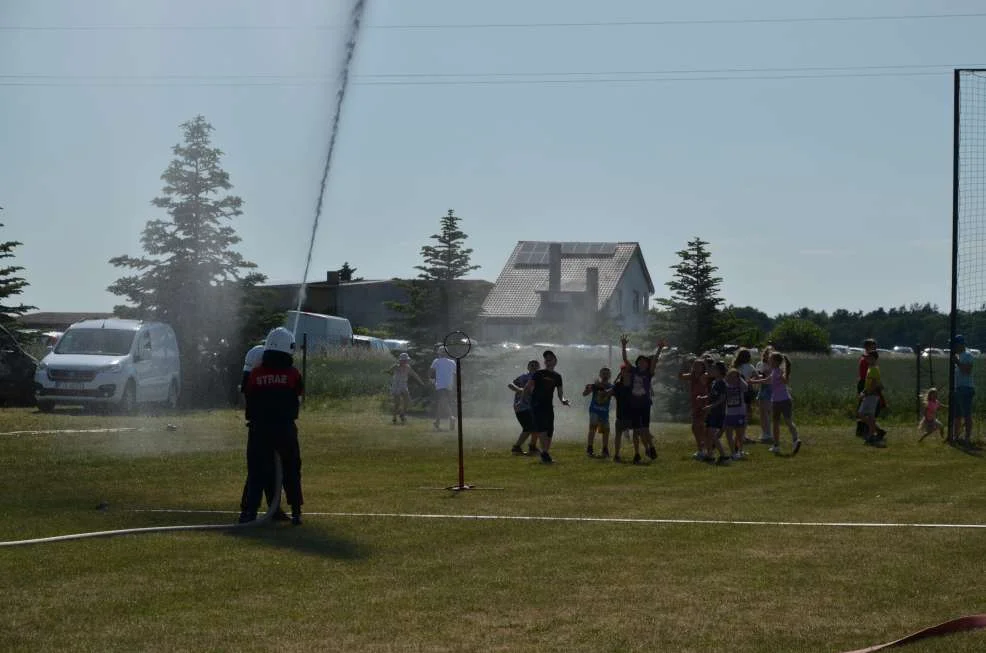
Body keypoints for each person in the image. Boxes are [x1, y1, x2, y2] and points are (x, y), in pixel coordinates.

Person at [240, 327, 305, 526]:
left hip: (259, 430)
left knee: (256, 471)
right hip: (285, 429)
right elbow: (300, 394)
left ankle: (248, 513)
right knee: (291, 470)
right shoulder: (293, 374)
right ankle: (296, 511)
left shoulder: (256, 373)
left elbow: (247, 393)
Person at [239, 339, 287, 522]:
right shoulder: (256, 368)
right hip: (262, 427)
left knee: (273, 469)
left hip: (268, 425)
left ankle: (272, 507)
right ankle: (248, 510)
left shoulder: (260, 366)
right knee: (258, 469)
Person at [620, 335, 666, 463]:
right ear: (637, 363)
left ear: (647, 364)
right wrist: (624, 346)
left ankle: (650, 447)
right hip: (634, 403)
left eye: (645, 362)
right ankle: (636, 453)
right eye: (640, 361)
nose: (642, 363)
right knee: (636, 430)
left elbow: (655, 360)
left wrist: (660, 348)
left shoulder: (648, 373)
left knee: (645, 428)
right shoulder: (633, 371)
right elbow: (625, 359)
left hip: (644, 403)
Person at [750, 352, 801, 456]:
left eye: (771, 359)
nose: (769, 361)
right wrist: (752, 382)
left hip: (783, 401)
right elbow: (766, 380)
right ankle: (779, 444)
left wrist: (784, 376)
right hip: (776, 401)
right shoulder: (774, 371)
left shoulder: (778, 371)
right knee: (779, 423)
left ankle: (793, 440)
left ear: (776, 362)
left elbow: (785, 381)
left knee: (784, 422)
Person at [525, 350, 570, 464]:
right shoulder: (538, 374)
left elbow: (560, 393)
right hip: (537, 406)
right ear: (545, 362)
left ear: (555, 361)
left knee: (550, 430)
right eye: (546, 358)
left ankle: (545, 452)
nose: (548, 360)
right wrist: (523, 400)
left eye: (550, 358)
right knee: (542, 429)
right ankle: (545, 454)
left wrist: (563, 400)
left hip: (548, 406)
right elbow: (528, 387)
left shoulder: (557, 377)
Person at [698, 361, 729, 464]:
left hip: (718, 412)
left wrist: (710, 406)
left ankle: (724, 456)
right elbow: (712, 395)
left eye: (714, 369)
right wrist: (703, 397)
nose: (711, 371)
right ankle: (710, 455)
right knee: (708, 434)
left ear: (720, 371)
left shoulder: (722, 383)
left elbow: (722, 398)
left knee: (712, 434)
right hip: (712, 412)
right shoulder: (714, 382)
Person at [679, 358, 710, 460]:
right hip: (695, 404)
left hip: (703, 404)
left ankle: (704, 449)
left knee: (698, 426)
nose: (696, 367)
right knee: (696, 428)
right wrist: (683, 364)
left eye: (699, 365)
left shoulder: (704, 375)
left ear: (703, 367)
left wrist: (706, 362)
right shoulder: (692, 376)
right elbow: (680, 376)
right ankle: (702, 448)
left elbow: (711, 374)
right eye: (695, 365)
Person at [509, 360, 541, 455]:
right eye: (532, 365)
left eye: (536, 365)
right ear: (528, 367)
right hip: (522, 406)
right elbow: (510, 384)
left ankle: (532, 447)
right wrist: (519, 389)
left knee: (536, 427)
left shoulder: (539, 379)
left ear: (539, 368)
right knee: (529, 428)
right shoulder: (524, 377)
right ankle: (517, 448)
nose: (534, 366)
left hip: (533, 407)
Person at [582, 367, 614, 459]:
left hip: (604, 412)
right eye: (603, 373)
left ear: (610, 376)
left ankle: (604, 449)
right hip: (594, 410)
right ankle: (590, 448)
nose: (605, 375)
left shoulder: (611, 387)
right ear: (600, 375)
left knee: (606, 431)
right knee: (593, 428)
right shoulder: (595, 385)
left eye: (607, 373)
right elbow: (584, 394)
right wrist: (590, 388)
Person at [951, 334, 975, 444]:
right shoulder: (958, 356)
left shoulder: (967, 355)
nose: (953, 347)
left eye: (955, 344)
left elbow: (967, 371)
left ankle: (967, 438)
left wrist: (957, 362)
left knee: (967, 415)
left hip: (966, 388)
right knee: (957, 415)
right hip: (957, 388)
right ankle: (956, 436)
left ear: (961, 344)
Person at [858, 350, 885, 446]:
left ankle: (873, 432)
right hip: (871, 395)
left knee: (861, 414)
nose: (866, 358)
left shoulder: (873, 369)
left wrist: (865, 393)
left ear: (873, 358)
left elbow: (873, 384)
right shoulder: (871, 368)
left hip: (871, 396)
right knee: (870, 417)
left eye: (868, 357)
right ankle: (872, 436)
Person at [388, 352, 423, 424]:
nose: (406, 361)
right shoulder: (396, 366)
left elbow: (414, 375)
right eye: (404, 360)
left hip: (403, 385)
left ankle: (402, 414)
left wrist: (421, 382)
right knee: (397, 403)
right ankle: (394, 417)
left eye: (406, 360)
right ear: (401, 360)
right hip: (396, 385)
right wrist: (391, 372)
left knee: (407, 401)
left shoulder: (408, 367)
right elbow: (390, 370)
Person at [855, 339, 881, 437]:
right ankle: (870, 430)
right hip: (865, 384)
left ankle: (871, 430)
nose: (874, 348)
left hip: (869, 386)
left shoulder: (871, 363)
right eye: (873, 346)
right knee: (864, 410)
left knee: (867, 410)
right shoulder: (866, 359)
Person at [732, 348, 758, 442]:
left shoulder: (735, 366)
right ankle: (742, 434)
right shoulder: (750, 366)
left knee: (737, 412)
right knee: (746, 413)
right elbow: (757, 376)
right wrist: (750, 380)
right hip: (746, 391)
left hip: (735, 391)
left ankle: (737, 433)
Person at [430, 346, 458, 431]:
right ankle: (437, 421)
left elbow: (431, 371)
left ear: (439, 353)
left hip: (440, 385)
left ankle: (451, 417)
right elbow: (454, 374)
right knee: (441, 403)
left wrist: (431, 379)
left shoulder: (436, 361)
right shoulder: (452, 362)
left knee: (443, 402)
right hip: (449, 385)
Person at [723, 367, 749, 460]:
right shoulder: (725, 385)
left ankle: (740, 451)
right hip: (729, 413)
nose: (733, 379)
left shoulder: (740, 385)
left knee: (739, 434)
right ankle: (733, 452)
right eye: (731, 377)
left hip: (740, 412)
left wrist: (739, 378)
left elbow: (746, 387)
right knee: (728, 434)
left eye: (735, 377)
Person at [611, 363, 633, 463]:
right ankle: (616, 454)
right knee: (618, 435)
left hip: (632, 414)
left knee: (639, 432)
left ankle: (642, 451)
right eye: (623, 371)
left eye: (627, 371)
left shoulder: (634, 384)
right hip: (620, 414)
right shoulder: (618, 385)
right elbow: (612, 391)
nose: (626, 373)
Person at [754, 347, 773, 443]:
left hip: (769, 388)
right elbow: (758, 374)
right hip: (763, 388)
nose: (767, 356)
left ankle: (768, 433)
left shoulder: (773, 366)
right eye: (765, 354)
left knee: (766, 412)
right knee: (762, 412)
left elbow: (769, 378)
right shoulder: (760, 364)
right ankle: (765, 432)